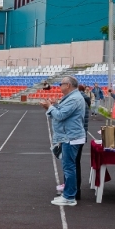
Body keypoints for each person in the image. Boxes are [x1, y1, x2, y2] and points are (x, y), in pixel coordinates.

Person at [41, 76, 85, 206]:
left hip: (71, 137)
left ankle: (69, 196)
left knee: (69, 168)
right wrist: (52, 107)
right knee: (69, 167)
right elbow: (61, 112)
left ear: (68, 85)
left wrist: (50, 106)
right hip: (69, 136)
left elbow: (60, 115)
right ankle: (68, 194)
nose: (60, 86)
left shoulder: (74, 98)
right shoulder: (72, 97)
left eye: (61, 84)